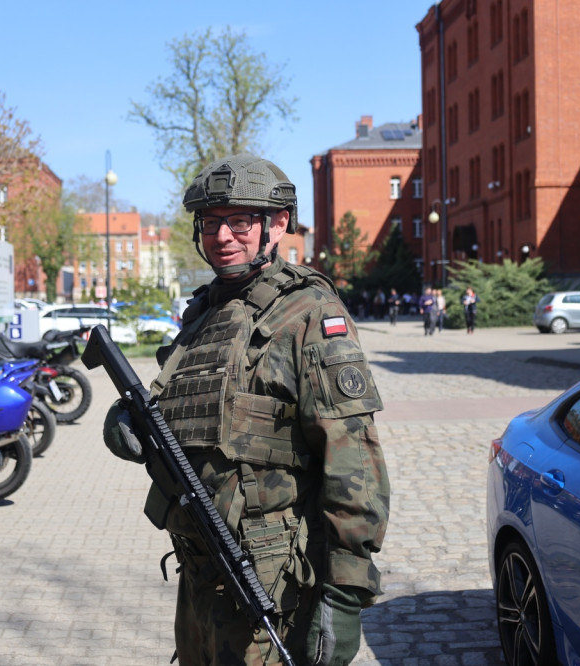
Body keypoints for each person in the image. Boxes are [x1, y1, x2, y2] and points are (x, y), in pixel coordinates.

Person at [102, 153, 390, 666]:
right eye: (211, 223)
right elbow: (180, 409)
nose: (223, 236)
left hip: (271, 579)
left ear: (276, 225)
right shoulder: (204, 312)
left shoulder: (309, 315)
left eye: (240, 221)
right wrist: (130, 422)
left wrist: (345, 594)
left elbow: (355, 465)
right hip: (199, 570)